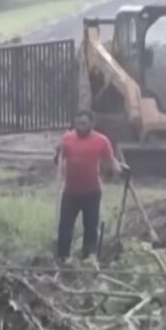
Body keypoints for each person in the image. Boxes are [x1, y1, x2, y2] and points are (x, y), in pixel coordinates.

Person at [55, 110, 128, 262]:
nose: (79, 127)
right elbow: (58, 161)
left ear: (91, 124)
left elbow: (110, 160)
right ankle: (62, 258)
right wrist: (58, 153)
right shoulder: (67, 139)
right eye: (77, 124)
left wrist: (120, 170)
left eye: (83, 124)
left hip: (92, 192)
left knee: (91, 228)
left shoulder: (101, 141)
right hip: (71, 192)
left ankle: (88, 259)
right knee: (65, 228)